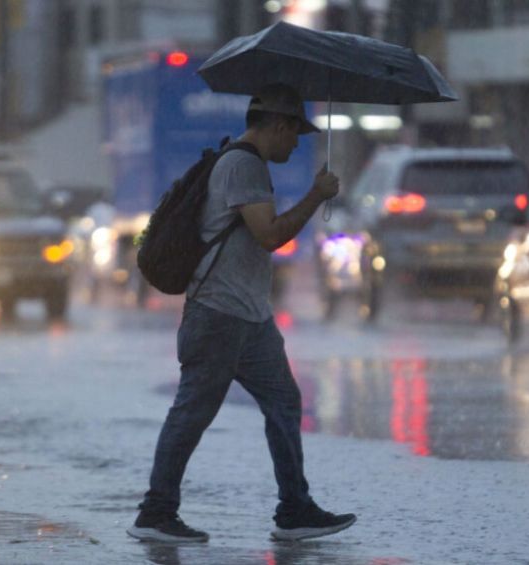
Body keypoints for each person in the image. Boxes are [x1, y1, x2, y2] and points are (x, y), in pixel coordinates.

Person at [126, 83, 356, 543]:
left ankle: (294, 509)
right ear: (277, 125)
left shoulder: (245, 164)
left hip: (249, 319)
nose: (296, 144)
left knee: (284, 403)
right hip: (218, 315)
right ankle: (156, 513)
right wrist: (315, 196)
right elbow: (269, 234)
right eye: (295, 134)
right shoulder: (243, 165)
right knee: (192, 413)